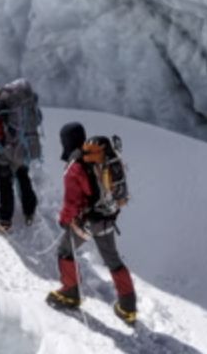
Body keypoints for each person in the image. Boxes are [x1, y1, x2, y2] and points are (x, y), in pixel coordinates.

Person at [48, 121, 138, 324]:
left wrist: (64, 221)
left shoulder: (74, 167)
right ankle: (128, 306)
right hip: (107, 216)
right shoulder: (97, 156)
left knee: (65, 251)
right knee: (113, 260)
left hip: (87, 221)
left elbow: (72, 202)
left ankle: (70, 293)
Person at [0, 80, 42, 234]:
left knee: (5, 185)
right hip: (23, 147)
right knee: (23, 176)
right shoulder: (11, 103)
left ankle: (4, 221)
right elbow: (38, 119)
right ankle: (30, 210)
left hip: (6, 152)